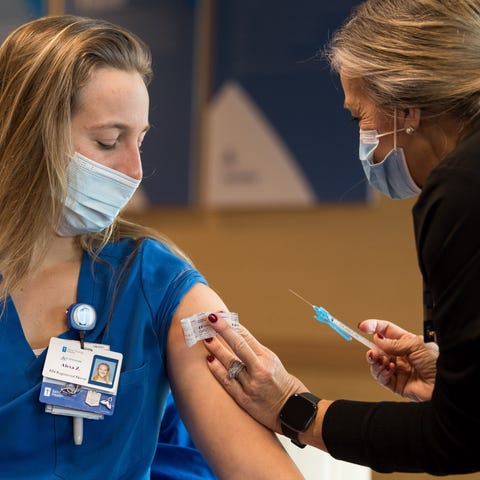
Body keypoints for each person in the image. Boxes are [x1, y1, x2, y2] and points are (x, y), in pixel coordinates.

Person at [0, 15, 304, 479]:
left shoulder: (158, 283)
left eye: (140, 139)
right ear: (24, 134)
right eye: (108, 140)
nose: (135, 169)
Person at [203, 0, 480, 476]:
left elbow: (460, 437)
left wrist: (294, 408)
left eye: (359, 117)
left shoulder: (461, 189)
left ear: (408, 108)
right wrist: (452, 368)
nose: (361, 134)